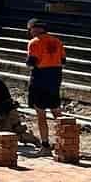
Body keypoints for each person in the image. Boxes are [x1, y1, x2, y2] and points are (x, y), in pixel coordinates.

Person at [26, 17, 65, 153]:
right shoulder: (58, 41)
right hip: (55, 77)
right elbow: (63, 60)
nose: (30, 32)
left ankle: (45, 145)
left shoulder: (34, 43)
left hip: (40, 78)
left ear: (34, 29)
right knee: (56, 112)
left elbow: (32, 62)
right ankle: (65, 142)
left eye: (30, 29)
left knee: (41, 113)